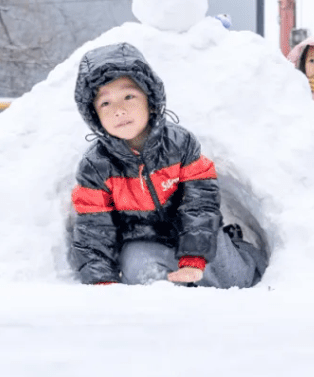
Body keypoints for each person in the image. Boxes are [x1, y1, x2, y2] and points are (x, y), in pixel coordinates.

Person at [70, 42, 268, 287]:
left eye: (128, 96)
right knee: (138, 268)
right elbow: (93, 229)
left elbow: (200, 203)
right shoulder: (95, 166)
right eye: (105, 103)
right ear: (94, 115)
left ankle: (239, 249)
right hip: (141, 241)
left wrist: (193, 258)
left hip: (192, 231)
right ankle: (172, 301)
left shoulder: (180, 145)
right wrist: (102, 281)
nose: (119, 110)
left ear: (150, 100)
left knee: (236, 278)